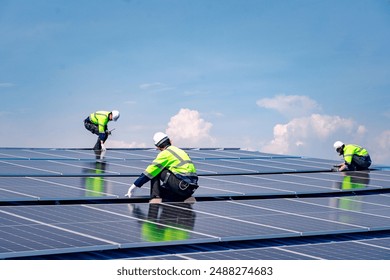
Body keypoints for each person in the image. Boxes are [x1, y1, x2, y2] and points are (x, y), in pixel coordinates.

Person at [125, 132, 199, 203]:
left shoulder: (165, 153)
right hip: (190, 188)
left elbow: (150, 171)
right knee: (164, 192)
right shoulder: (180, 151)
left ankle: (155, 197)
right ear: (169, 141)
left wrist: (134, 186)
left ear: (158, 146)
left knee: (157, 170)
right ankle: (184, 197)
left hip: (181, 186)